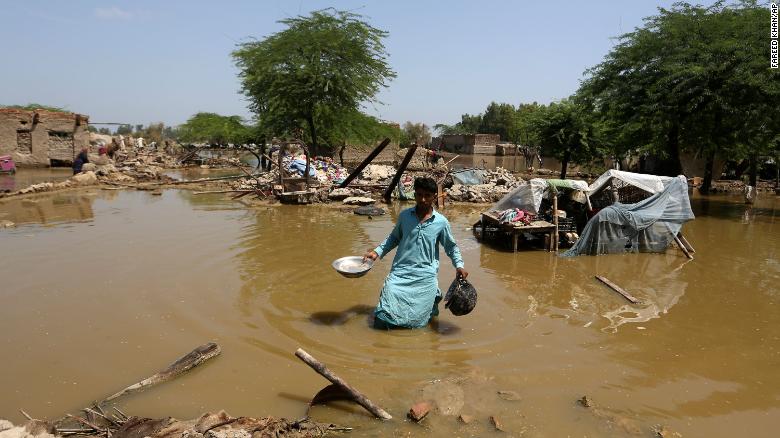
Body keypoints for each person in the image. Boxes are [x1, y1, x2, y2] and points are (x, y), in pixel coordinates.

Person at [364, 176, 468, 329]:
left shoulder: (441, 222)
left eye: (427, 195)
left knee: (420, 320)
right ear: (414, 195)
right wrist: (376, 252)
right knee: (385, 309)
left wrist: (459, 265)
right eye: (419, 194)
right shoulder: (405, 216)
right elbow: (394, 237)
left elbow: (451, 247)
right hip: (400, 272)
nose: (423, 199)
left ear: (434, 197)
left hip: (426, 275)